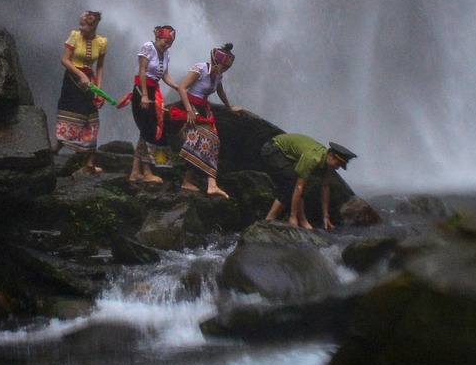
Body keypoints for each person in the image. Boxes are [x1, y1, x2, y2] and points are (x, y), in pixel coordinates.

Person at [174, 44, 243, 197]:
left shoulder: (219, 76)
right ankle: (191, 181)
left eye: (226, 68)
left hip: (203, 109)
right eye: (221, 66)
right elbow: (182, 88)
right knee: (203, 140)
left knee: (212, 142)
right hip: (190, 106)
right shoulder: (200, 69)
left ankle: (210, 184)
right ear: (215, 61)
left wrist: (229, 107)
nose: (223, 69)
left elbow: (220, 91)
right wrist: (190, 110)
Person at [259, 133, 355, 230]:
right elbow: (298, 187)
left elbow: (325, 188)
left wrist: (326, 217)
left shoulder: (325, 164)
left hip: (288, 156)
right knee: (292, 182)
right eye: (338, 164)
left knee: (298, 184)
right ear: (331, 156)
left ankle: (302, 220)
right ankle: (269, 219)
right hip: (273, 149)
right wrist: (293, 217)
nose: (337, 168)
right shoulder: (313, 158)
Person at [55, 10, 110, 171]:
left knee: (91, 117)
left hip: (89, 81)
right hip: (72, 80)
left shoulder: (101, 42)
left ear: (93, 27)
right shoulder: (75, 36)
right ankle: (59, 144)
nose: (80, 28)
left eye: (84, 25)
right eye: (80, 24)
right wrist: (80, 75)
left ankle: (90, 160)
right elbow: (64, 60)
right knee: (69, 112)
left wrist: (99, 89)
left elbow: (99, 67)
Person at [128, 24, 177, 186]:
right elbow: (142, 70)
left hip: (153, 92)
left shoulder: (166, 54)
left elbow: (165, 76)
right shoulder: (148, 47)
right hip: (141, 91)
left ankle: (135, 172)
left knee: (146, 131)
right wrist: (143, 94)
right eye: (165, 41)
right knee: (148, 130)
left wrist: (178, 87)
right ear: (158, 37)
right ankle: (147, 172)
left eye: (170, 43)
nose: (167, 45)